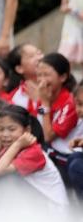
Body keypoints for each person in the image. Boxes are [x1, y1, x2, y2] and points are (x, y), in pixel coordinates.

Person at [0, 105, 68, 211]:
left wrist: (17, 144)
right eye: (0, 129)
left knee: (3, 181)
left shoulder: (34, 152)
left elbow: (0, 171)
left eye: (11, 129)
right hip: (34, 205)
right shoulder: (7, 148)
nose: (5, 134)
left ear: (27, 130)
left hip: (51, 209)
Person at [37, 53, 82, 183]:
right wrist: (43, 103)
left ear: (62, 77)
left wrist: (44, 103)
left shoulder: (71, 101)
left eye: (46, 75)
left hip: (66, 156)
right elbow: (40, 120)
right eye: (39, 75)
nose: (42, 80)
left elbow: (48, 136)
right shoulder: (46, 96)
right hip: (52, 151)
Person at [7, 43, 43, 115]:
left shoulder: (56, 86)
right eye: (31, 56)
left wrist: (41, 100)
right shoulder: (13, 98)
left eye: (39, 53)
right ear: (19, 68)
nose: (39, 58)